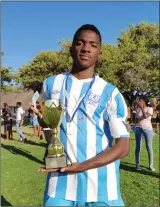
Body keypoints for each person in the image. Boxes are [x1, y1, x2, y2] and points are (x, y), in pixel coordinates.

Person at [37, 24, 130, 206]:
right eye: (80, 43)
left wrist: (81, 166)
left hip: (102, 187)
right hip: (60, 184)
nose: (86, 48)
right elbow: (50, 126)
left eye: (93, 45)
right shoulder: (51, 84)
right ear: (71, 48)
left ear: (99, 53)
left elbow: (123, 146)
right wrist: (50, 139)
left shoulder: (110, 92)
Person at [135, 97, 155, 171]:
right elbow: (137, 119)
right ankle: (138, 165)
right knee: (138, 148)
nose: (139, 102)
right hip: (138, 129)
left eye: (140, 100)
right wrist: (139, 109)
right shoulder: (137, 109)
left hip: (148, 130)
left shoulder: (150, 108)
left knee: (149, 147)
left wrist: (142, 108)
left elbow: (146, 116)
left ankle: (151, 165)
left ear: (143, 101)